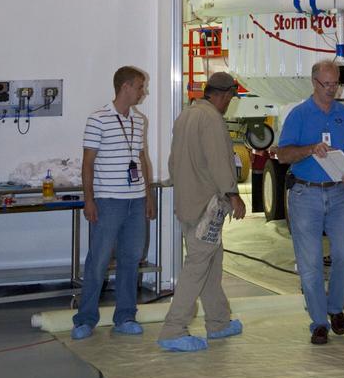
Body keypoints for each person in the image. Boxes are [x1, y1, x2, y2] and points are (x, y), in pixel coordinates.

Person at [157, 70, 246, 352]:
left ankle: (218, 322)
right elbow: (220, 163)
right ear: (222, 95)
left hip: (188, 202)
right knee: (197, 265)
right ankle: (173, 329)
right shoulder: (212, 120)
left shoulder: (187, 115)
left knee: (211, 261)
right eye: (231, 96)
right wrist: (234, 195)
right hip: (207, 206)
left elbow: (173, 162)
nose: (230, 102)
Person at [274, 60, 344, 345]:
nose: (332, 90)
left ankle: (335, 307)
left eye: (336, 84)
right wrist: (310, 150)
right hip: (305, 195)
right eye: (327, 85)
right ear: (313, 83)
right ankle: (319, 322)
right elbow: (283, 155)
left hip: (338, 194)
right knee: (310, 263)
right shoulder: (299, 115)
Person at [72, 65, 156, 340]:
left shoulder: (139, 120)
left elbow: (142, 160)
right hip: (108, 201)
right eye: (140, 86)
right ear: (126, 87)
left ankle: (125, 316)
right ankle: (84, 319)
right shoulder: (97, 119)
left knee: (131, 259)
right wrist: (89, 200)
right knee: (98, 261)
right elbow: (88, 163)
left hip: (136, 202)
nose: (143, 92)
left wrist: (149, 196)